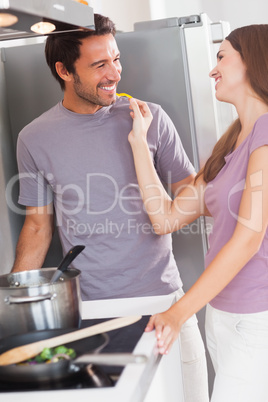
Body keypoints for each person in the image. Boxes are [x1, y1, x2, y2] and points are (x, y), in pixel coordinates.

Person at [12, 13, 209, 402]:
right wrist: (15, 308)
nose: (114, 73)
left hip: (165, 300)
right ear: (64, 71)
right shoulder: (33, 138)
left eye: (116, 59)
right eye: (100, 65)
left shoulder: (149, 119)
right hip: (92, 311)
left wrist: (168, 214)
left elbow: (189, 189)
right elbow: (38, 226)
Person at [128, 24, 268, 402]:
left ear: (253, 62)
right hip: (222, 315)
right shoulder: (233, 140)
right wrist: (140, 143)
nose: (212, 69)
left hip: (257, 317)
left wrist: (177, 313)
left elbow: (248, 239)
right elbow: (166, 218)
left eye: (222, 57)